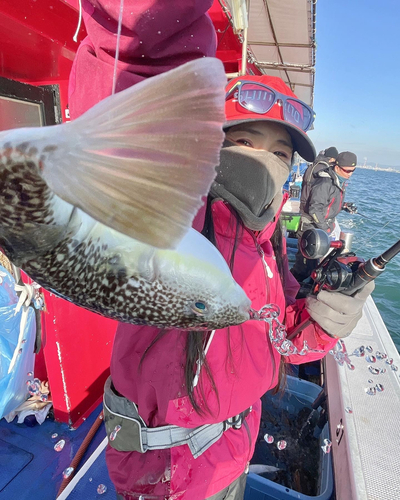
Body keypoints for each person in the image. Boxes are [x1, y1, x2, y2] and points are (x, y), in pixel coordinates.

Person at [69, 3, 373, 499]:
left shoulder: (269, 242)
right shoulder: (170, 216)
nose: (266, 164)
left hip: (234, 454)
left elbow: (281, 336)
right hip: (168, 475)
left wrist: (324, 322)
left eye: (280, 154)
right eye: (246, 141)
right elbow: (124, 115)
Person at [291, 151, 357, 282]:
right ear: (337, 167)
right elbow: (314, 209)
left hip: (319, 230)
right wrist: (325, 229)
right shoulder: (325, 183)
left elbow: (328, 202)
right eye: (347, 171)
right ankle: (288, 291)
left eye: (353, 171)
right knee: (303, 268)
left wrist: (344, 206)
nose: (350, 174)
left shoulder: (337, 181)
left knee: (313, 266)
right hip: (311, 229)